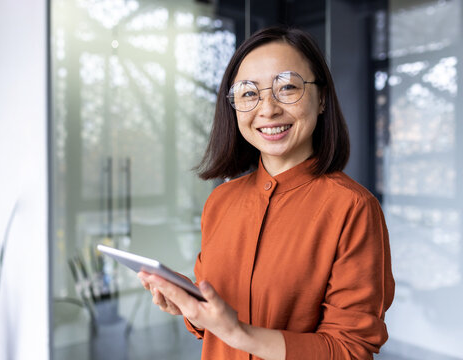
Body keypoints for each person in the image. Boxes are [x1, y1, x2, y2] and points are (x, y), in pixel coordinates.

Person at [138, 26, 395, 360]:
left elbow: (350, 349)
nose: (267, 108)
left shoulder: (353, 208)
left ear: (322, 100)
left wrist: (237, 333)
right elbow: (214, 324)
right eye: (248, 93)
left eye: (287, 87)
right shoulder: (221, 201)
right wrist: (190, 306)